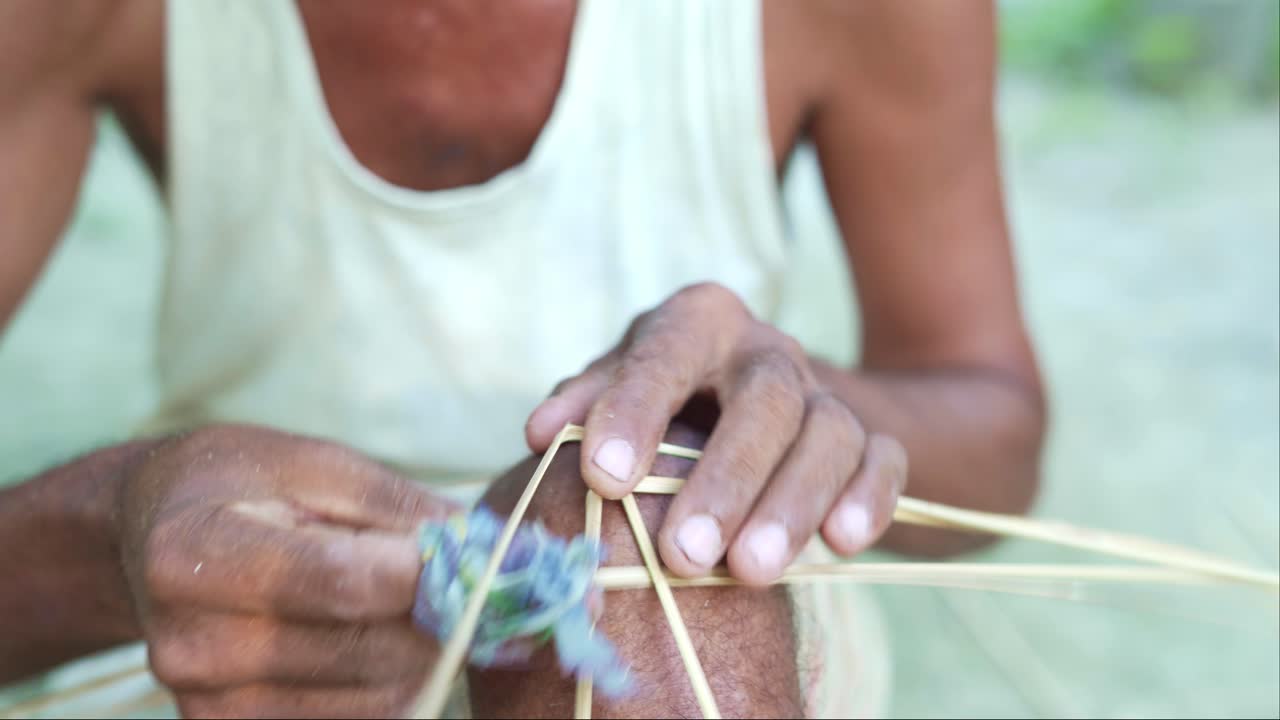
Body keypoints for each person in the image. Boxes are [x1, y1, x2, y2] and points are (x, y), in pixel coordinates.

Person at [0, 0, 1046, 717]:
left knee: (647, 535)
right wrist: (117, 528)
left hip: (726, 595)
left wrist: (786, 414)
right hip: (222, 609)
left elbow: (989, 431)